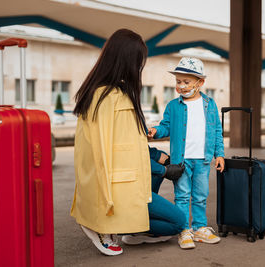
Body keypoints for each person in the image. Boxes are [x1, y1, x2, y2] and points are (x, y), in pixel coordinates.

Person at [70, 29, 185, 256]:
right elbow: (104, 153)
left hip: (131, 181)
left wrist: (154, 155)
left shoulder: (113, 93)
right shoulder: (106, 98)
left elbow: (127, 144)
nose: (139, 68)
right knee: (179, 222)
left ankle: (133, 230)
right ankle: (99, 225)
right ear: (126, 61)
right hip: (119, 186)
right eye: (138, 62)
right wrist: (162, 169)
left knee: (172, 220)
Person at [148, 57, 225, 249]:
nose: (181, 86)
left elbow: (217, 131)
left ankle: (199, 228)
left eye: (186, 82)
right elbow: (166, 126)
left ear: (200, 83)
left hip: (203, 159)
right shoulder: (173, 106)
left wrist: (220, 154)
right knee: (182, 195)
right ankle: (184, 230)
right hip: (181, 161)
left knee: (200, 195)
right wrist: (157, 131)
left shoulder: (210, 104)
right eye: (178, 82)